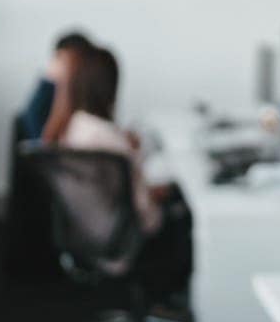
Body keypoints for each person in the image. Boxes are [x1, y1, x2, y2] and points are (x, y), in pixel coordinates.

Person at [60, 45, 191, 299]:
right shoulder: (110, 140)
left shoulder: (75, 126)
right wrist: (161, 192)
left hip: (91, 234)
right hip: (129, 241)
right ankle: (174, 299)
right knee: (184, 206)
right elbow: (142, 208)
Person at [17, 31, 91, 141]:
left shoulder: (87, 92)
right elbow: (43, 141)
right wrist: (55, 83)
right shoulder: (46, 93)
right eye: (63, 62)